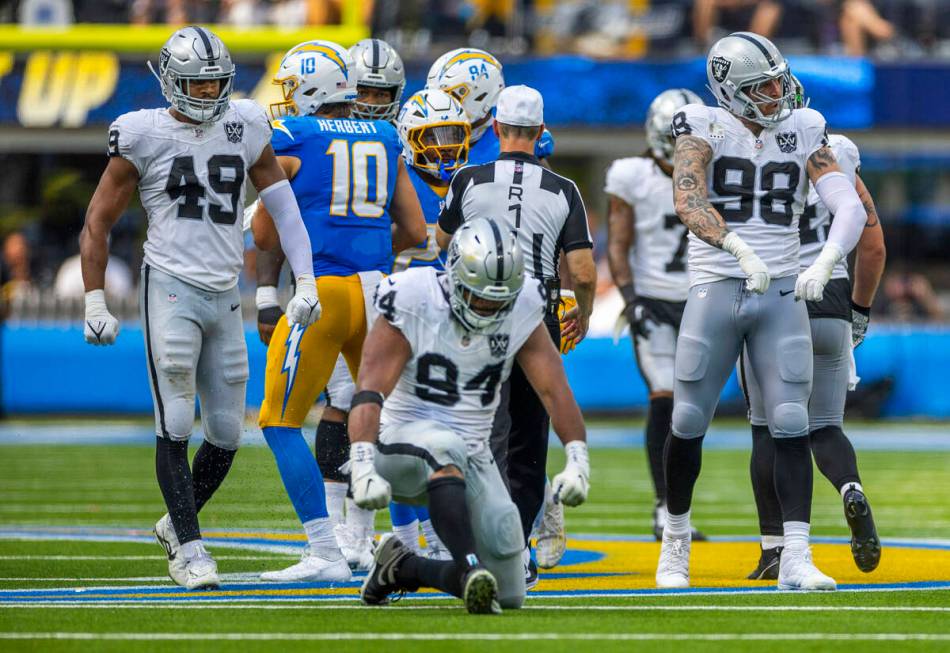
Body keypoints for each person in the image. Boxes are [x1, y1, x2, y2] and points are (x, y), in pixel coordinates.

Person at [80, 26, 320, 590]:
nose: (209, 94)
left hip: (221, 293)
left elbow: (285, 211)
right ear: (171, 82)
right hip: (168, 285)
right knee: (176, 417)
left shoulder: (246, 123)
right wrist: (95, 296)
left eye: (216, 83)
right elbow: (98, 220)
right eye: (197, 84)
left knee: (227, 433)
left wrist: (304, 280)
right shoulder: (141, 133)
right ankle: (189, 550)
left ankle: (173, 524)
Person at [656, 31, 870, 592]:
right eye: (763, 86)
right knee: (687, 420)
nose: (778, 92)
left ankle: (795, 555)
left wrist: (824, 260)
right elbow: (689, 198)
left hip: (780, 293)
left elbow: (846, 205)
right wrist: (738, 248)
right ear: (730, 90)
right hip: (718, 284)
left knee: (793, 422)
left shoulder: (803, 127)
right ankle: (674, 544)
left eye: (778, 79)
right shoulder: (701, 123)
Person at [347, 217, 591, 613]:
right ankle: (467, 569)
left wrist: (578, 458)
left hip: (473, 454)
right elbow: (370, 389)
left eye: (501, 298)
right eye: (481, 296)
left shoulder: (524, 303)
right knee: (444, 446)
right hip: (397, 447)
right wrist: (361, 463)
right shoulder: (413, 295)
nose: (491, 306)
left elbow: (554, 389)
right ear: (455, 276)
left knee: (511, 592)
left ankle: (402, 566)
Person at [250, 39, 425, 583]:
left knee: (279, 422)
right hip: (378, 291)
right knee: (387, 419)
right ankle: (412, 543)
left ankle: (325, 550)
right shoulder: (384, 133)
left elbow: (261, 231)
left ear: (309, 88)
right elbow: (416, 231)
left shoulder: (293, 135)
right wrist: (362, 231)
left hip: (322, 293)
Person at [435, 85, 596, 587]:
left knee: (485, 439)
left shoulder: (469, 178)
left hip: (478, 312)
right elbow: (584, 271)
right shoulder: (565, 189)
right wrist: (583, 316)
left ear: (498, 129)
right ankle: (518, 552)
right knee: (529, 444)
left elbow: (441, 244)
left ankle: (485, 547)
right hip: (536, 315)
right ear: (540, 132)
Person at [742, 78, 886, 580]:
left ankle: (774, 548)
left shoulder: (750, 147)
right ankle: (850, 487)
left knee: (767, 429)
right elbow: (872, 246)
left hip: (778, 292)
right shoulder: (839, 153)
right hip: (831, 296)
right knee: (825, 426)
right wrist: (859, 311)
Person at [605, 88, 708, 543]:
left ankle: (677, 507)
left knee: (693, 411)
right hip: (654, 301)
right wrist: (629, 297)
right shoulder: (632, 175)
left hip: (704, 302)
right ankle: (666, 507)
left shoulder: (716, 174)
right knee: (664, 399)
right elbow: (619, 242)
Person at [386, 87, 473, 562]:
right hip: (408, 319)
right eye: (431, 136)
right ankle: (407, 537)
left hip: (460, 322)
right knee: (403, 433)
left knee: (459, 434)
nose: (442, 147)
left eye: (451, 135)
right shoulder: (398, 181)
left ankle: (446, 532)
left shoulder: (472, 183)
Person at [426, 47, 555, 164]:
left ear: (482, 95)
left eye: (451, 96)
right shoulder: (418, 137)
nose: (439, 104)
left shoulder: (514, 143)